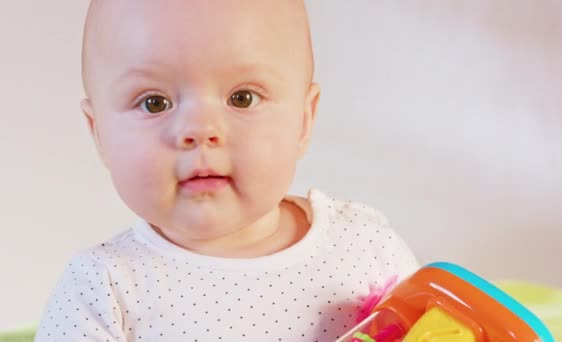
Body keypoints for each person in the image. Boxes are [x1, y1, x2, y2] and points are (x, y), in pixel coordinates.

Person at [36, 1, 418, 340]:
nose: (200, 130)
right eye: (154, 103)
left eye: (242, 97)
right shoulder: (102, 289)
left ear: (304, 120)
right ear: (98, 133)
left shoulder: (366, 250)